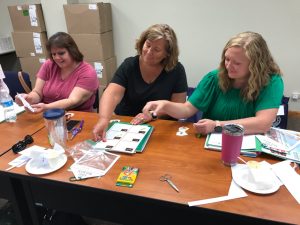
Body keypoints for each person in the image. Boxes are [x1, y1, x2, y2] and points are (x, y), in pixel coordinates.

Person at [143, 31, 284, 135]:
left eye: (237, 63)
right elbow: (187, 109)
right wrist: (165, 105)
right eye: (227, 59)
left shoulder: (271, 82)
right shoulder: (214, 78)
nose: (228, 66)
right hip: (211, 145)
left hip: (249, 150)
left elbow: (262, 124)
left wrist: (217, 126)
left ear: (256, 65)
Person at [93, 24, 188, 141]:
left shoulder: (176, 70)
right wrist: (103, 118)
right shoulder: (129, 65)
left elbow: (179, 105)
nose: (149, 52)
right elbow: (112, 94)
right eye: (147, 45)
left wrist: (152, 114)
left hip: (161, 126)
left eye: (156, 50)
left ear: (167, 53)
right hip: (127, 123)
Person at [16, 32, 99, 113]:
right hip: (48, 115)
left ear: (72, 51)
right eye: (53, 54)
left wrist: (46, 107)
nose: (57, 58)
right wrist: (29, 99)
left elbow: (72, 101)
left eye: (61, 53)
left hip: (76, 116)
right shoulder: (49, 65)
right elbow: (37, 92)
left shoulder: (88, 72)